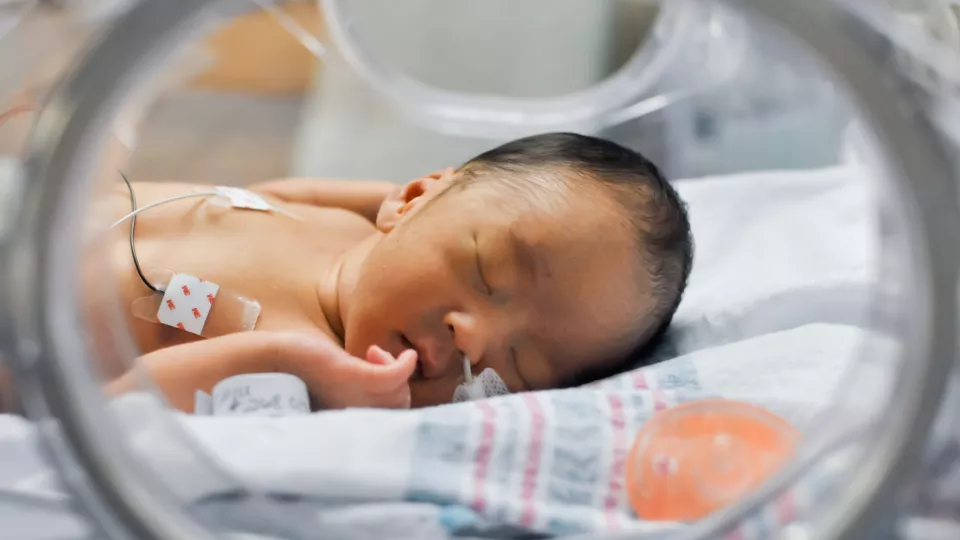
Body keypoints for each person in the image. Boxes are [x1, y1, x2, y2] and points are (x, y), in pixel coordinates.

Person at [102, 133, 694, 411]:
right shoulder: (338, 226)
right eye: (485, 271)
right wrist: (405, 202)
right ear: (410, 200)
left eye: (520, 363)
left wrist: (284, 363)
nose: (475, 337)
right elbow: (269, 195)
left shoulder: (315, 377)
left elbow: (116, 405)